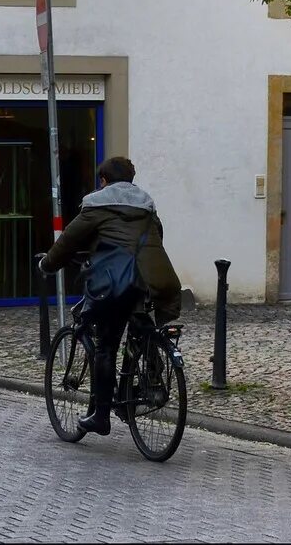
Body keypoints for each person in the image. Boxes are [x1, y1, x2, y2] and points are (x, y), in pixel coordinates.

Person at [39, 156, 181, 436]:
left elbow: (69, 240)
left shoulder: (96, 204)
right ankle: (151, 380)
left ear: (103, 181)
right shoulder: (147, 206)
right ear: (131, 179)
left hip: (117, 283)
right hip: (155, 278)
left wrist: (47, 264)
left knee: (106, 345)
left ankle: (101, 416)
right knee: (142, 323)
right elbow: (158, 236)